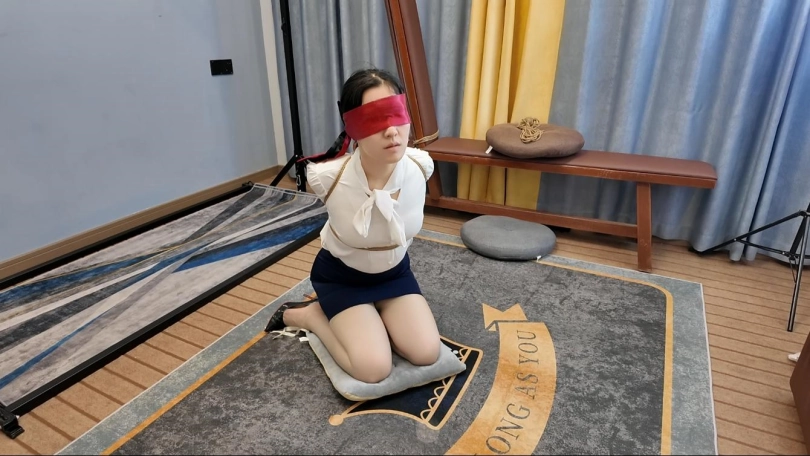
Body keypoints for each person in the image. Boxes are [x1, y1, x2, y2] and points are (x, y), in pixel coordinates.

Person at [265, 68, 442, 384]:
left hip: (394, 274)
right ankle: (311, 315)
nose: (392, 131)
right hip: (342, 278)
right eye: (374, 118)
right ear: (352, 126)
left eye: (395, 113)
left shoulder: (420, 165)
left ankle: (376, 317)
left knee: (427, 352)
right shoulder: (328, 178)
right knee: (373, 369)